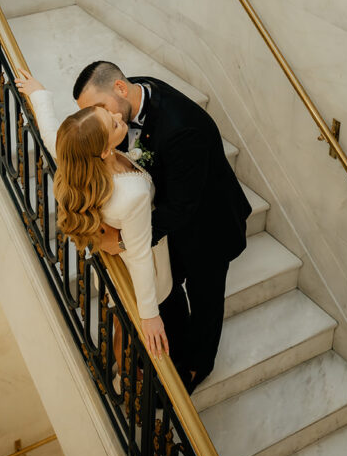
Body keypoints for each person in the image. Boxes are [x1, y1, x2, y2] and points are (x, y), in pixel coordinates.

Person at [72, 61, 252, 392]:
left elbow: (182, 207)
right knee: (167, 292)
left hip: (208, 229)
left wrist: (126, 239)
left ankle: (197, 367)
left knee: (205, 301)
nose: (102, 119)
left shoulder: (181, 130)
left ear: (121, 89)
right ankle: (168, 348)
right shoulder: (133, 96)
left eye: (100, 108)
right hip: (173, 220)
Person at [14, 68, 172, 361]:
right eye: (112, 126)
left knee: (118, 318)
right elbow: (138, 255)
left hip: (114, 253)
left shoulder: (75, 156)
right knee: (129, 324)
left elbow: (51, 134)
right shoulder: (132, 195)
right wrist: (150, 315)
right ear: (102, 152)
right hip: (136, 267)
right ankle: (120, 370)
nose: (118, 117)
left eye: (104, 113)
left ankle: (114, 356)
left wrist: (38, 93)